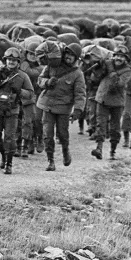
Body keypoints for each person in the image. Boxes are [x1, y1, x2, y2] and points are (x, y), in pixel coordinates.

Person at [36, 41, 86, 171]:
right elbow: (39, 80)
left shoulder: (77, 74)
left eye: (72, 55)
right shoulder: (52, 66)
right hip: (47, 105)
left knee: (63, 134)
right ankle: (50, 161)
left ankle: (65, 151)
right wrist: (47, 82)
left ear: (76, 58)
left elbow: (80, 94)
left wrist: (78, 110)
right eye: (67, 53)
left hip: (63, 108)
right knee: (47, 134)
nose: (68, 56)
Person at [0, 48, 34, 174]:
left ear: (18, 62)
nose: (11, 62)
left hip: (12, 111)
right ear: (5, 60)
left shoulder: (22, 76)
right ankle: (3, 154)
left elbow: (30, 94)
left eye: (14, 60)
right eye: (9, 60)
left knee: (10, 139)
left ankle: (9, 163)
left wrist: (19, 91)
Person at [90, 48, 131, 160]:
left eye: (122, 56)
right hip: (102, 99)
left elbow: (119, 84)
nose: (119, 58)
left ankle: (112, 151)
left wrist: (111, 69)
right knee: (100, 124)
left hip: (117, 103)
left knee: (115, 128)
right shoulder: (107, 64)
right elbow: (95, 77)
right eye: (117, 55)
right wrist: (99, 65)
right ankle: (99, 148)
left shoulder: (128, 71)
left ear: (126, 59)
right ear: (113, 56)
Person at [17, 43, 45, 156]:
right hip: (23, 95)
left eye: (35, 54)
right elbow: (30, 73)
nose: (33, 56)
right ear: (26, 53)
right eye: (30, 53)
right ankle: (23, 144)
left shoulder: (42, 65)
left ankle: (36, 140)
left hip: (37, 96)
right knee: (22, 121)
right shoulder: (24, 64)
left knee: (35, 120)